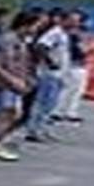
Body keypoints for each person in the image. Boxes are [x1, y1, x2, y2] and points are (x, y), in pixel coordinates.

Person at [0, 11, 40, 162]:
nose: (36, 29)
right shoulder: (9, 40)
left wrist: (27, 78)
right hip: (6, 83)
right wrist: (16, 80)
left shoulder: (21, 41)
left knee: (11, 113)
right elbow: (8, 63)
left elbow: (22, 63)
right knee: (5, 113)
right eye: (35, 25)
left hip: (14, 82)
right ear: (25, 25)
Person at [26, 8, 71, 143]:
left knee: (51, 104)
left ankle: (43, 128)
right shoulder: (55, 33)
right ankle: (34, 129)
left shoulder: (63, 34)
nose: (74, 23)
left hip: (59, 74)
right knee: (43, 102)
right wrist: (50, 62)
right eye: (70, 20)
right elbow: (41, 46)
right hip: (50, 74)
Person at [55, 10, 89, 123]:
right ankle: (67, 111)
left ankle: (62, 110)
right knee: (74, 89)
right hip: (76, 64)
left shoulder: (70, 34)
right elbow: (81, 50)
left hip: (73, 64)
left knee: (69, 89)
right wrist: (89, 50)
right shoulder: (75, 35)